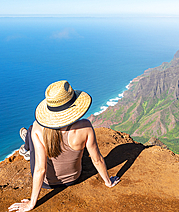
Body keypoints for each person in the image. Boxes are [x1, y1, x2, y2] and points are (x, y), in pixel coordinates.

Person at [8, 80, 120, 212]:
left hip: (47, 184)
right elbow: (97, 159)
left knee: (32, 130)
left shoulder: (38, 128)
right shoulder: (85, 127)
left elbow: (40, 169)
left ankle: (27, 148)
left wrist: (32, 203)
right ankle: (28, 146)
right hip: (74, 178)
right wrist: (108, 182)